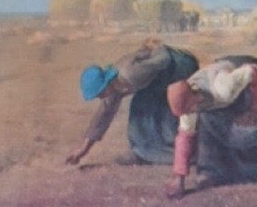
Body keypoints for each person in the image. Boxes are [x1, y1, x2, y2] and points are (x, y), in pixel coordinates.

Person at [161, 55, 257, 198]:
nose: (187, 114)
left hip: (251, 78)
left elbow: (253, 71)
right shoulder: (188, 105)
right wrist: (179, 177)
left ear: (194, 98)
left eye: (188, 110)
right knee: (207, 125)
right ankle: (211, 172)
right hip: (225, 91)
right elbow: (185, 137)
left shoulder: (222, 88)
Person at [68, 42, 200, 167]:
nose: (100, 96)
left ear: (106, 83)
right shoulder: (113, 87)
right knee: (140, 111)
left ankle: (188, 154)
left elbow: (164, 59)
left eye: (99, 92)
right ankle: (144, 153)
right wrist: (83, 149)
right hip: (159, 79)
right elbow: (103, 116)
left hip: (180, 66)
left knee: (164, 111)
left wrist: (168, 91)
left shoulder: (131, 74)